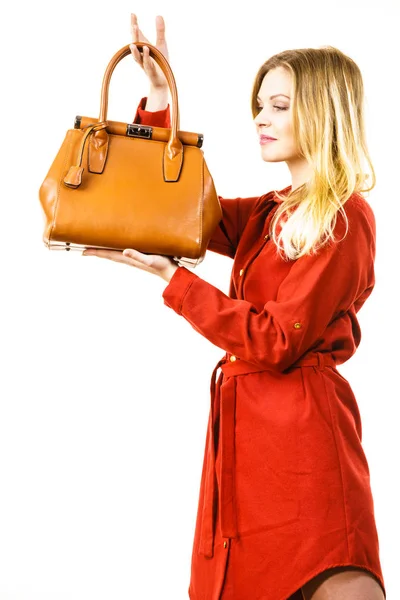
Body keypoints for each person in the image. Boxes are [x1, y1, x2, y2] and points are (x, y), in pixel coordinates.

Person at [83, 13, 386, 600]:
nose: (260, 118)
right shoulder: (271, 211)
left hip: (302, 446)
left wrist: (175, 281)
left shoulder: (345, 217)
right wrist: (161, 97)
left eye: (278, 105)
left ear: (322, 113)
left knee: (326, 575)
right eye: (259, 104)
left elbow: (277, 339)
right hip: (246, 443)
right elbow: (181, 207)